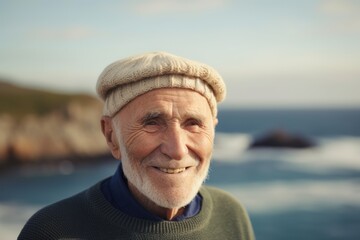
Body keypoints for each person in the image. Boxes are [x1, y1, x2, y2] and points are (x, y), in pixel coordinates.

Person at [18, 51, 255, 239]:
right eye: (152, 123)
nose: (177, 149)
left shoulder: (231, 215)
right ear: (111, 136)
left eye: (193, 123)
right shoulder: (51, 231)